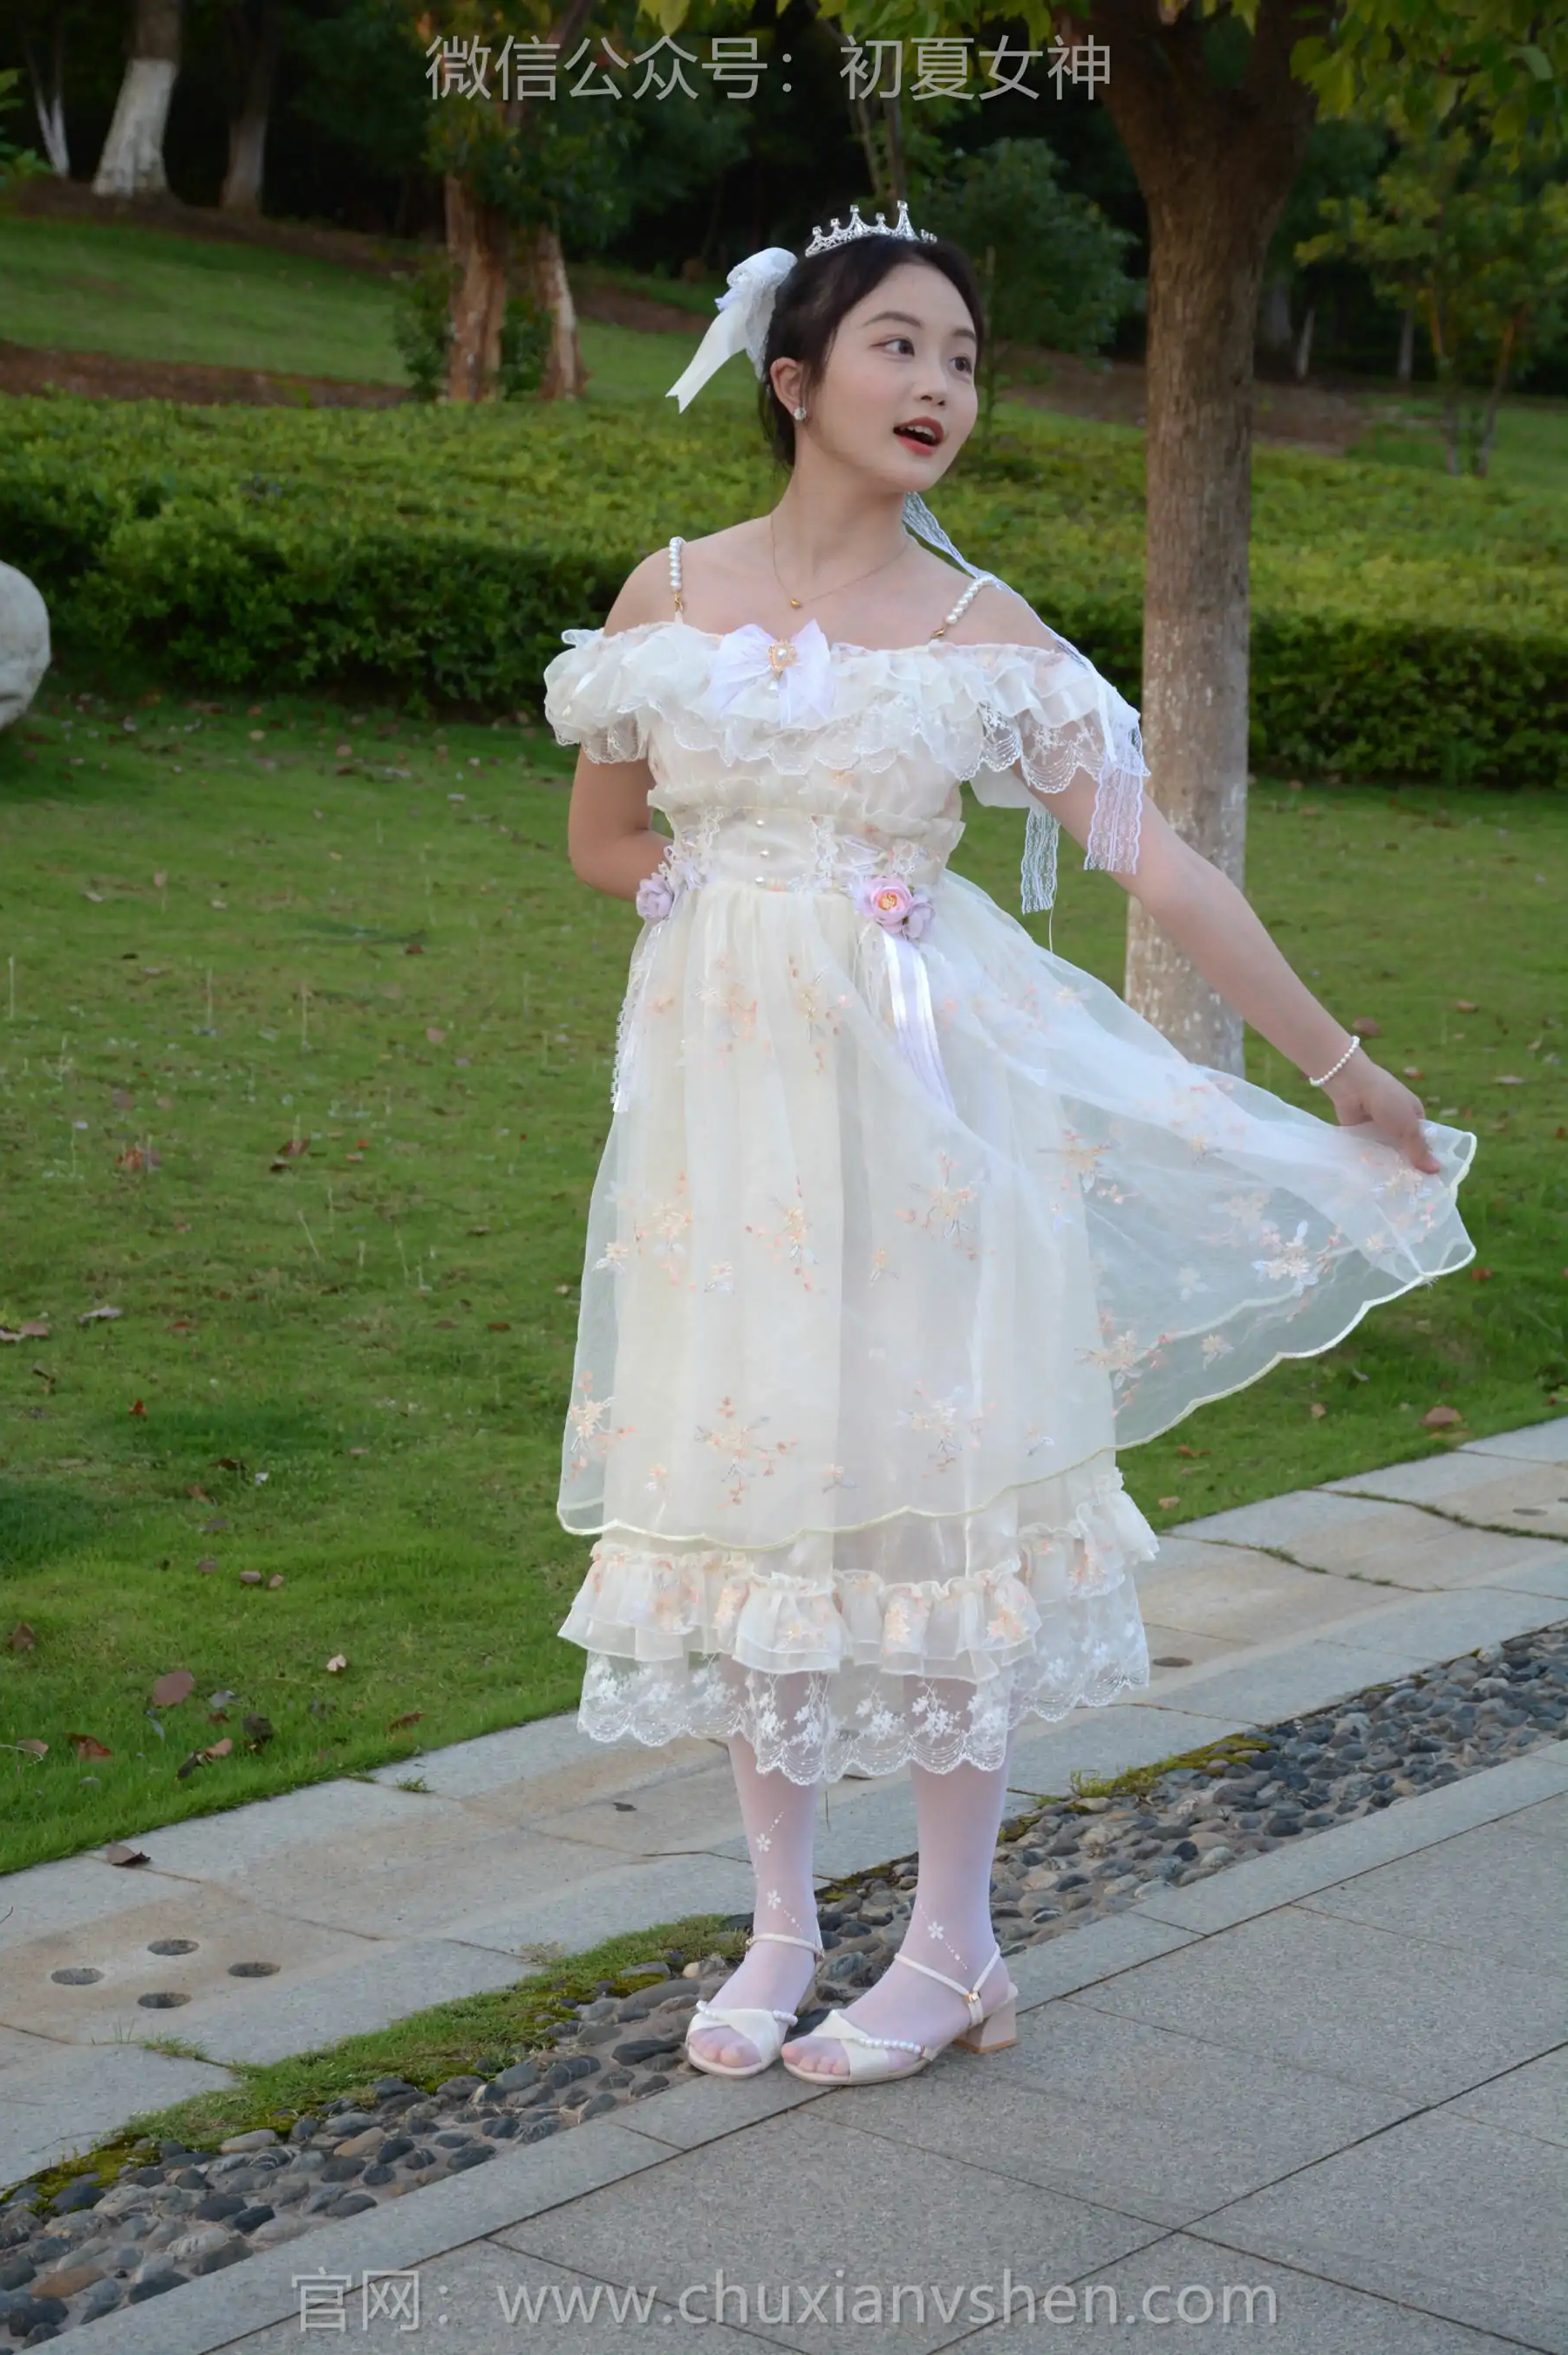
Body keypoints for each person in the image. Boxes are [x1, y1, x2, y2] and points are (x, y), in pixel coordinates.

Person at [541, 203, 1476, 2088]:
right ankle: (782, 1926)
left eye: (963, 359)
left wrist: (1342, 1063)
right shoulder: (668, 596)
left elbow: (1161, 865)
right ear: (793, 379)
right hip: (728, 1129)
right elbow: (601, 840)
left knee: (935, 1492)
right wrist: (726, 906)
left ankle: (955, 1945)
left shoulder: (984, 637)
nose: (939, 387)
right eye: (899, 347)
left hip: (926, 1122)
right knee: (758, 1482)